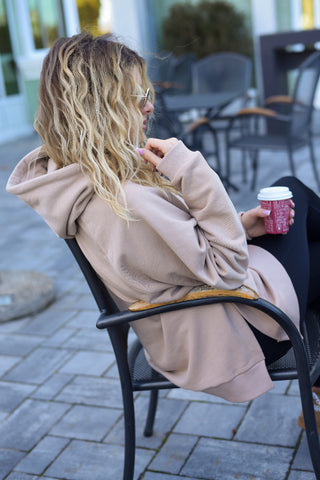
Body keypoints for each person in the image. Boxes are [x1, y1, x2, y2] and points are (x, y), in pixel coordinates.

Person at [5, 33, 320, 419]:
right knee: (295, 193)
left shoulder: (80, 180)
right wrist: (192, 170)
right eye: (135, 99)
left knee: (303, 223)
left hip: (192, 322)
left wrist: (242, 225)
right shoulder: (123, 202)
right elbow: (229, 270)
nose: (149, 106)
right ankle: (317, 393)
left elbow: (176, 251)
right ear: (100, 107)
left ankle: (318, 395)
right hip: (229, 333)